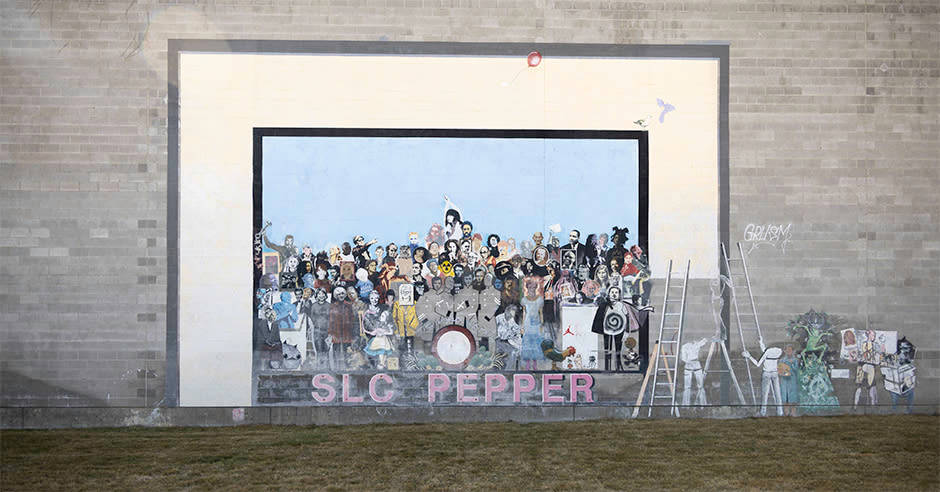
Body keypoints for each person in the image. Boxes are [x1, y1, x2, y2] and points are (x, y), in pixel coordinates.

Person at [743, 341, 784, 417]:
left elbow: (758, 364)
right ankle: (780, 412)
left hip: (767, 373)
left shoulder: (767, 351)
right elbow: (765, 351)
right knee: (778, 393)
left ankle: (763, 412)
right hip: (775, 373)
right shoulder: (779, 351)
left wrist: (749, 356)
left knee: (765, 394)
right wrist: (761, 343)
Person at [519, 278, 545, 371]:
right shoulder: (524, 300)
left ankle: (534, 364)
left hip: (536, 324)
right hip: (527, 324)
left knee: (536, 344)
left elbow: (541, 313)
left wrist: (541, 324)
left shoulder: (539, 300)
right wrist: (522, 326)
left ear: (536, 288)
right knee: (527, 343)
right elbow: (524, 313)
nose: (532, 289)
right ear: (527, 288)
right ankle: (527, 364)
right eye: (530, 287)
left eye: (533, 287)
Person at [681, 338, 708, 406]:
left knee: (700, 386)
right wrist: (689, 362)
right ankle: (686, 405)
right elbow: (683, 358)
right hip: (689, 365)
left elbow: (704, 341)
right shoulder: (685, 346)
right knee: (688, 387)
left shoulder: (696, 344)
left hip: (695, 365)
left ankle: (703, 405)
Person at [495, 304, 522, 371]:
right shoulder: (499, 318)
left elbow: (515, 328)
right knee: (512, 352)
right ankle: (508, 371)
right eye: (512, 313)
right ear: (507, 311)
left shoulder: (511, 319)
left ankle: (513, 370)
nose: (513, 315)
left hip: (507, 341)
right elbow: (499, 333)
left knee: (518, 350)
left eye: (514, 313)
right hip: (499, 341)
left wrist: (519, 330)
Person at [779, 344, 800, 416]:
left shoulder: (795, 360)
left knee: (793, 397)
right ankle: (786, 413)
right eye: (787, 350)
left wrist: (792, 364)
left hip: (793, 381)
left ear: (793, 351)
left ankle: (793, 413)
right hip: (784, 381)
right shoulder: (782, 360)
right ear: (784, 351)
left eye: (790, 350)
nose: (788, 352)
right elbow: (780, 372)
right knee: (785, 397)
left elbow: (797, 370)